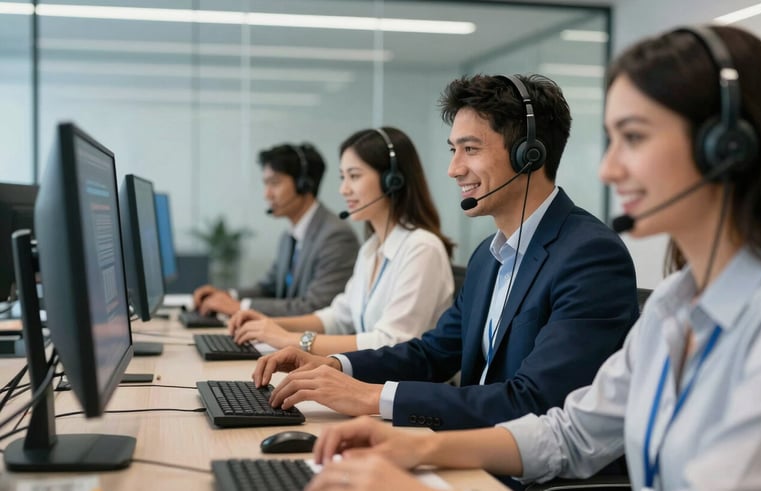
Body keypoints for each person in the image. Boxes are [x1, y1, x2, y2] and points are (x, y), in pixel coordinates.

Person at [307, 25, 761, 491]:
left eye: (634, 137)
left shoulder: (596, 256)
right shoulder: (674, 304)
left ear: (728, 147)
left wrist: (391, 435)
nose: (608, 169)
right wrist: (416, 447)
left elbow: (535, 400)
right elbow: (570, 432)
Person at [251, 74, 639, 432]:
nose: (453, 169)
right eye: (454, 149)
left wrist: (371, 397)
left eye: (470, 149)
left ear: (529, 155)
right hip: (465, 446)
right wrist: (335, 365)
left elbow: (535, 400)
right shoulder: (489, 256)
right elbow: (433, 352)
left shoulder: (589, 256)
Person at [226, 127, 455, 356]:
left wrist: (289, 339)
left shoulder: (422, 248)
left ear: (391, 180)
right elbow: (338, 317)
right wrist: (271, 325)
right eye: (342, 177)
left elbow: (391, 341)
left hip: (405, 388)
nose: (343, 190)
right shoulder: (371, 249)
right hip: (372, 380)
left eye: (354, 176)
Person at [192, 143, 359, 317]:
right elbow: (268, 288)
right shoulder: (289, 237)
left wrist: (240, 307)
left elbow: (316, 307)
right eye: (266, 184)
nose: (267, 194)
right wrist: (227, 296)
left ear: (304, 185)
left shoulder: (336, 237)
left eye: (275, 183)